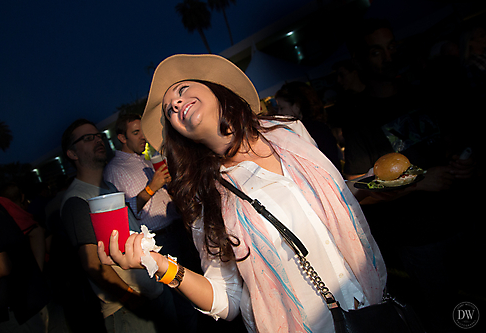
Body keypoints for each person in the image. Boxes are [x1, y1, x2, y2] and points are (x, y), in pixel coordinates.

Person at [98, 54, 386, 333]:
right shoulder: (206, 196)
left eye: (182, 91)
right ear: (179, 134)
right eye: (170, 110)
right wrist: (160, 266)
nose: (176, 104)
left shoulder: (289, 131)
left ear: (214, 88)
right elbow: (227, 298)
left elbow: (327, 200)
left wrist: (376, 182)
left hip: (373, 301)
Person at [343, 18, 479, 332]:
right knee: (452, 317)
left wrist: (465, 165)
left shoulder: (422, 92)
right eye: (377, 52)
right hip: (421, 239)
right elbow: (358, 188)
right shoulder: (360, 119)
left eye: (391, 47)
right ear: (362, 60)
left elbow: (450, 143)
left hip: (464, 216)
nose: (388, 57)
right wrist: (417, 184)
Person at [60, 118, 177, 332]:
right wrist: (129, 298)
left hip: (153, 290)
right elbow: (92, 264)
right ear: (72, 154)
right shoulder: (77, 200)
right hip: (127, 308)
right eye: (87, 138)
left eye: (98, 136)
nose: (97, 140)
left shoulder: (110, 186)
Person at [103, 113, 200, 331]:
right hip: (162, 241)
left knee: (196, 289)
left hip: (179, 230)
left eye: (143, 131)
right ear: (122, 137)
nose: (143, 137)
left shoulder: (146, 160)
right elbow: (131, 211)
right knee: (181, 300)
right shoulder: (115, 170)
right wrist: (152, 186)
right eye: (136, 133)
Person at [0, 198, 50, 333]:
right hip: (25, 305)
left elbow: (1, 266)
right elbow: (36, 231)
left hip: (16, 311)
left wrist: (35, 276)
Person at [274, 81, 342, 171]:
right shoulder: (320, 127)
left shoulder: (304, 132)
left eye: (282, 108)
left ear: (297, 106)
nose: (279, 113)